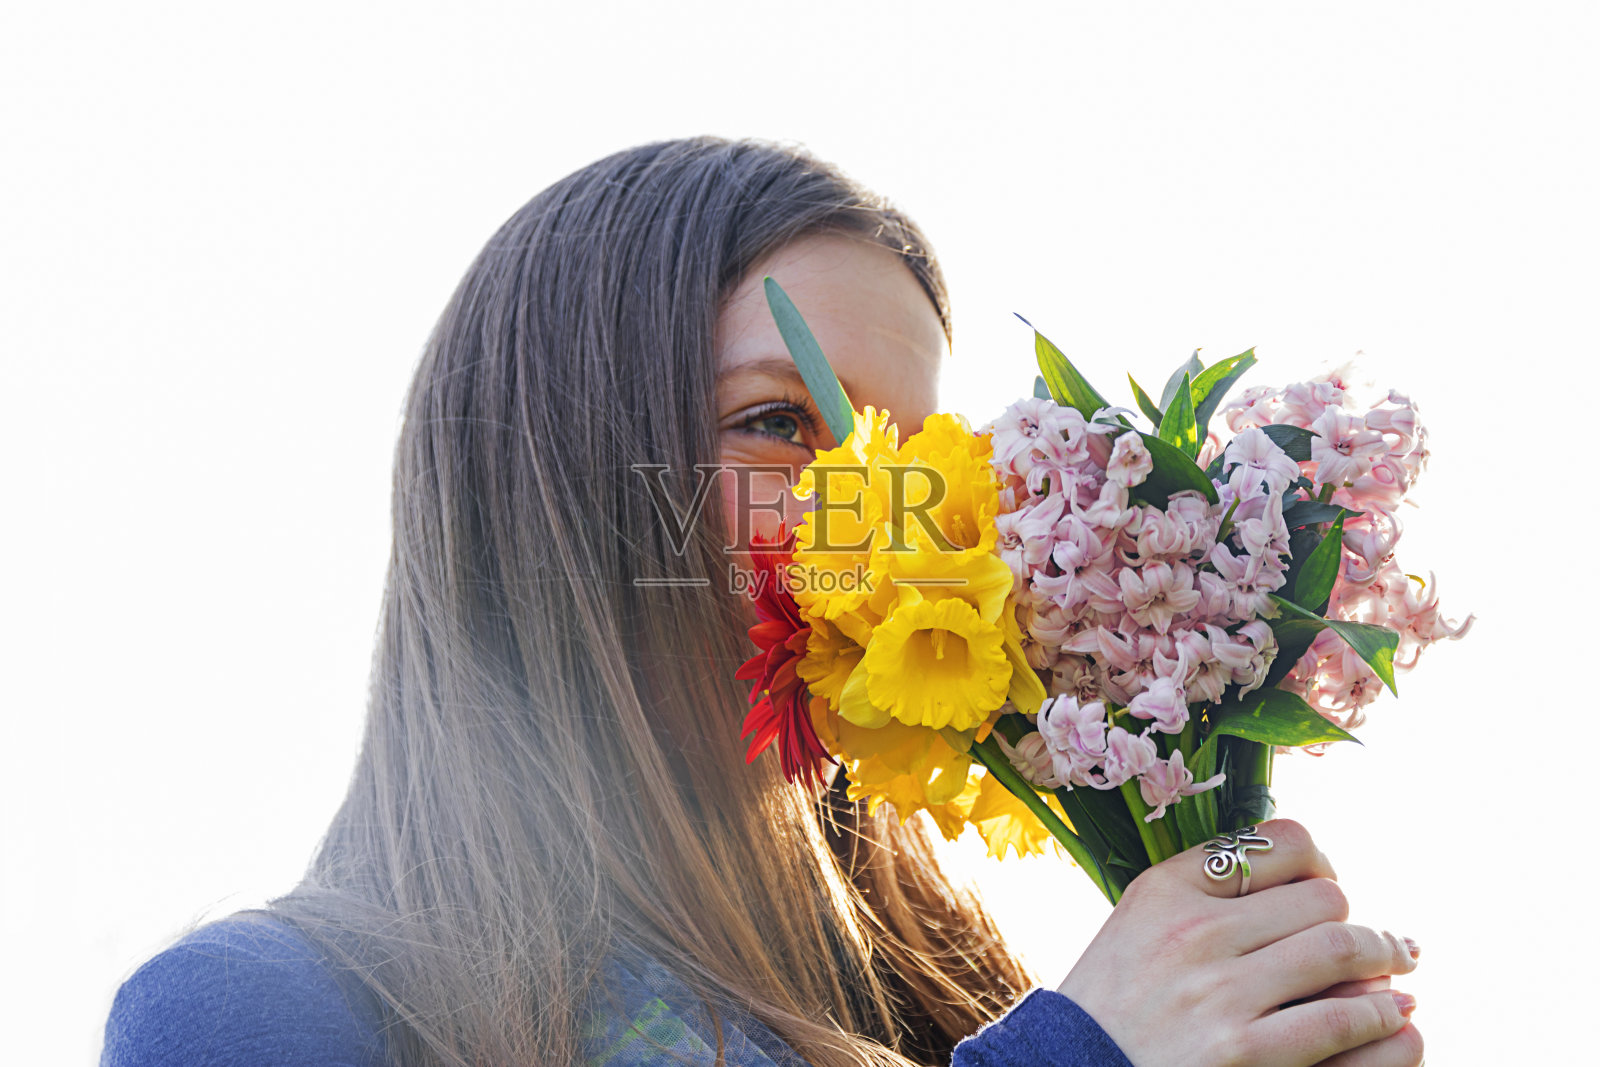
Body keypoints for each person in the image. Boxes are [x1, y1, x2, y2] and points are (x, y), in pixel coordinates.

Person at [100, 137, 1424, 1067]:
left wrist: (1235, 945)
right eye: (782, 423)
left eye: (915, 457)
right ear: (558, 472)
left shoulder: (959, 1002)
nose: (882, 520)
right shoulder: (257, 1015)